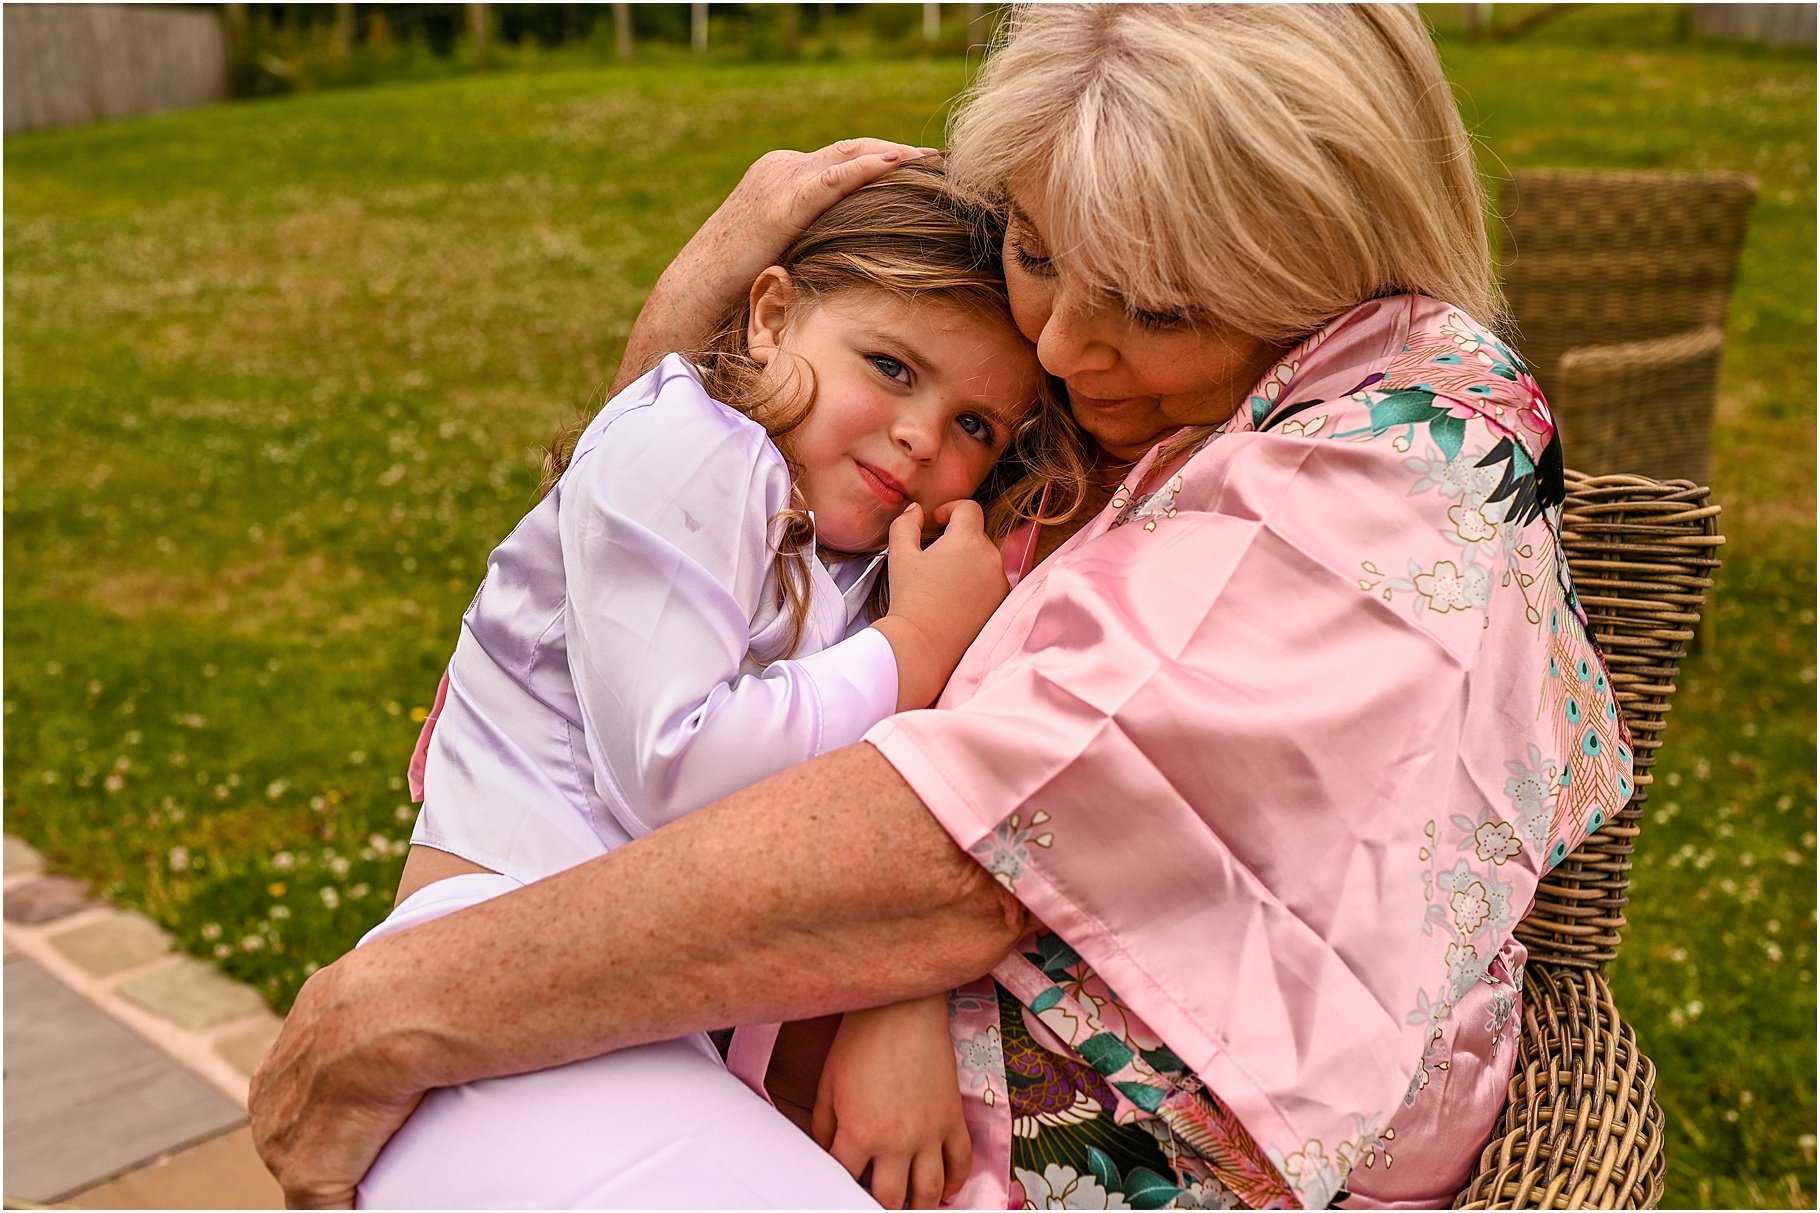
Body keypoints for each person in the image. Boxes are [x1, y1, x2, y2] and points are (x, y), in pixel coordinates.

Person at [251, 6, 1636, 1210]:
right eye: (1036, 250)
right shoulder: (1116, 404)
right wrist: (694, 331)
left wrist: (401, 1009)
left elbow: (978, 830)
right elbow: (701, 608)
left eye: (1152, 309)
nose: (1058, 345)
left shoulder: (1401, 444)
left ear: (1330, 258)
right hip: (759, 1047)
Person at [371, 160, 1084, 1208]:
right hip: (483, 984)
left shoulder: (855, 562)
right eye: (890, 367)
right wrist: (915, 646)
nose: (923, 435)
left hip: (618, 1018)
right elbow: (677, 770)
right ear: (769, 315)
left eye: (975, 424)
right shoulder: (690, 445)